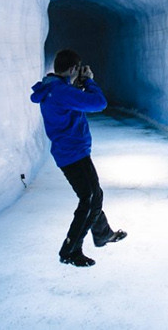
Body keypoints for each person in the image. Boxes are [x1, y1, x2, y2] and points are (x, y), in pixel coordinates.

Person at [30, 49, 127, 267]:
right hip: (73, 153)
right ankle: (70, 250)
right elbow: (99, 103)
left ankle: (102, 233)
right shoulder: (61, 92)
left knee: (93, 195)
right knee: (90, 199)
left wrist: (76, 87)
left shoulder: (54, 89)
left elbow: (69, 103)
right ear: (74, 68)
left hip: (69, 152)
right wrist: (90, 82)